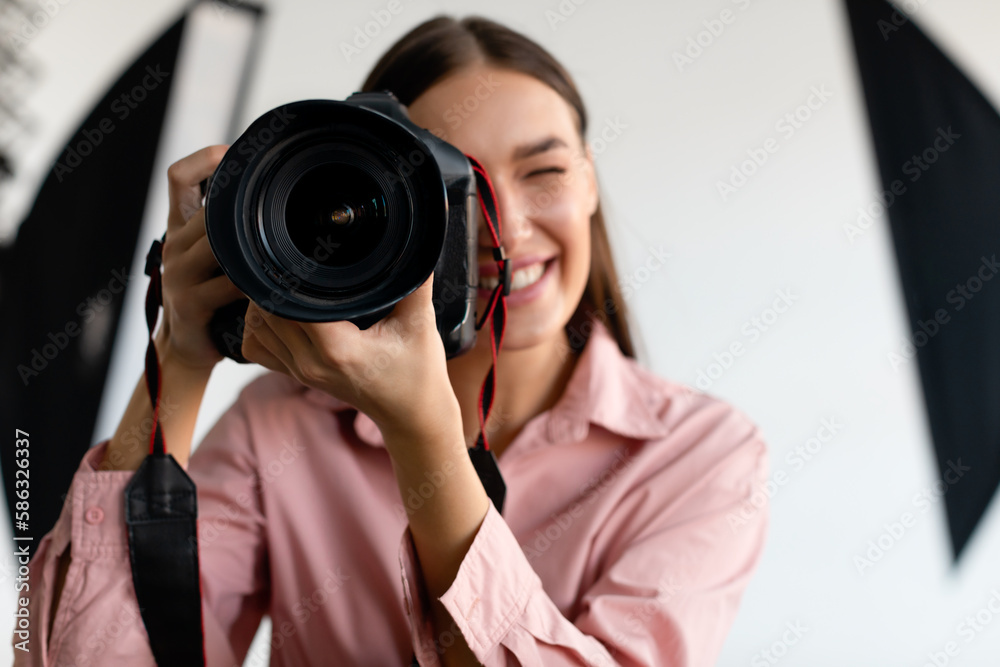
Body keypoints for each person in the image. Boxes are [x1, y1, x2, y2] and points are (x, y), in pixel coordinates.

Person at [14, 14, 769, 667]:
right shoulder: (283, 425)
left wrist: (425, 437)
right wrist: (174, 363)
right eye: (458, 190)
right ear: (378, 206)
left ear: (590, 180)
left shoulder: (698, 455)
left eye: (543, 172)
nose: (509, 230)